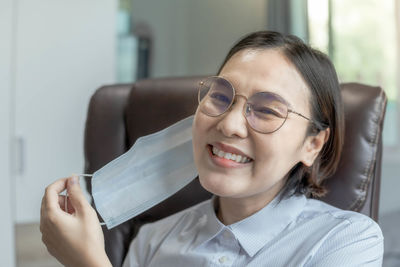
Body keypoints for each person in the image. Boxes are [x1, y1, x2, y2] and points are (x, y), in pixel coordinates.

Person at [40, 31, 383, 266]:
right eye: (220, 97)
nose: (229, 125)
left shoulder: (347, 242)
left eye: (266, 110)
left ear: (312, 144)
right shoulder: (151, 241)